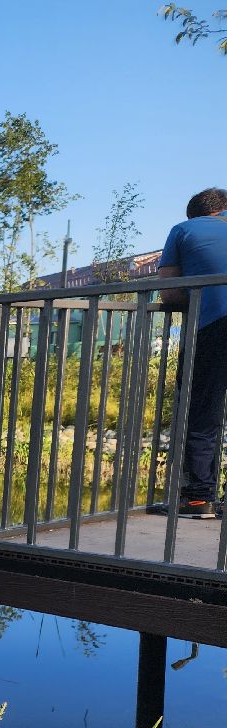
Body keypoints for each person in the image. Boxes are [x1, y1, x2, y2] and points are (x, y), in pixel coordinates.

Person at [152, 187, 227, 519]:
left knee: (202, 410)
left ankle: (198, 499)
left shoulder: (184, 230)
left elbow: (169, 294)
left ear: (198, 214)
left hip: (216, 325)